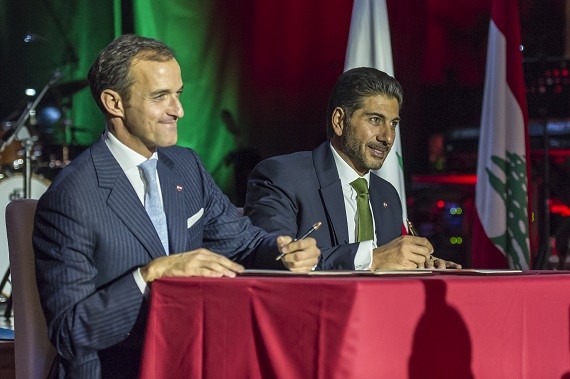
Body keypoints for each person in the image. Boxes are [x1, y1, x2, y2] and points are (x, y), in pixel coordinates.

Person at [32, 34, 320, 378]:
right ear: (114, 102)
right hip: (117, 368)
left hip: (193, 358)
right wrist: (152, 275)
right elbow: (70, 332)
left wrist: (282, 250)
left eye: (178, 94)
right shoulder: (71, 197)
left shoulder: (186, 166)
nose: (178, 110)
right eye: (160, 97)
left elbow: (243, 244)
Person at [244, 67, 460, 270]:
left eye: (393, 124)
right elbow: (272, 259)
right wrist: (371, 259)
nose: (387, 137)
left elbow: (389, 266)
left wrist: (419, 265)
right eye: (375, 120)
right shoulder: (283, 176)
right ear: (339, 121)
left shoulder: (388, 195)